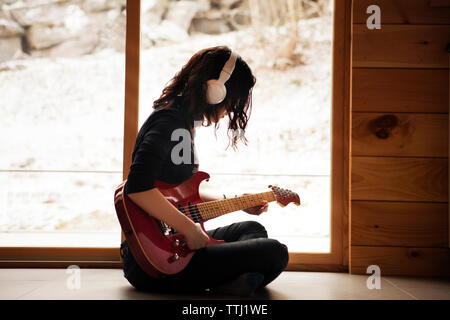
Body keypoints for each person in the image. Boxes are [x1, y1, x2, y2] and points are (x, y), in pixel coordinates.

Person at [120, 46, 289, 296]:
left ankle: (234, 282)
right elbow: (137, 187)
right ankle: (237, 282)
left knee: (253, 231)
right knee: (275, 252)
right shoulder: (169, 122)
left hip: (172, 242)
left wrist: (238, 202)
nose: (229, 111)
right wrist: (189, 229)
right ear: (215, 90)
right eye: (232, 102)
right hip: (152, 261)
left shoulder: (182, 122)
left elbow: (182, 193)